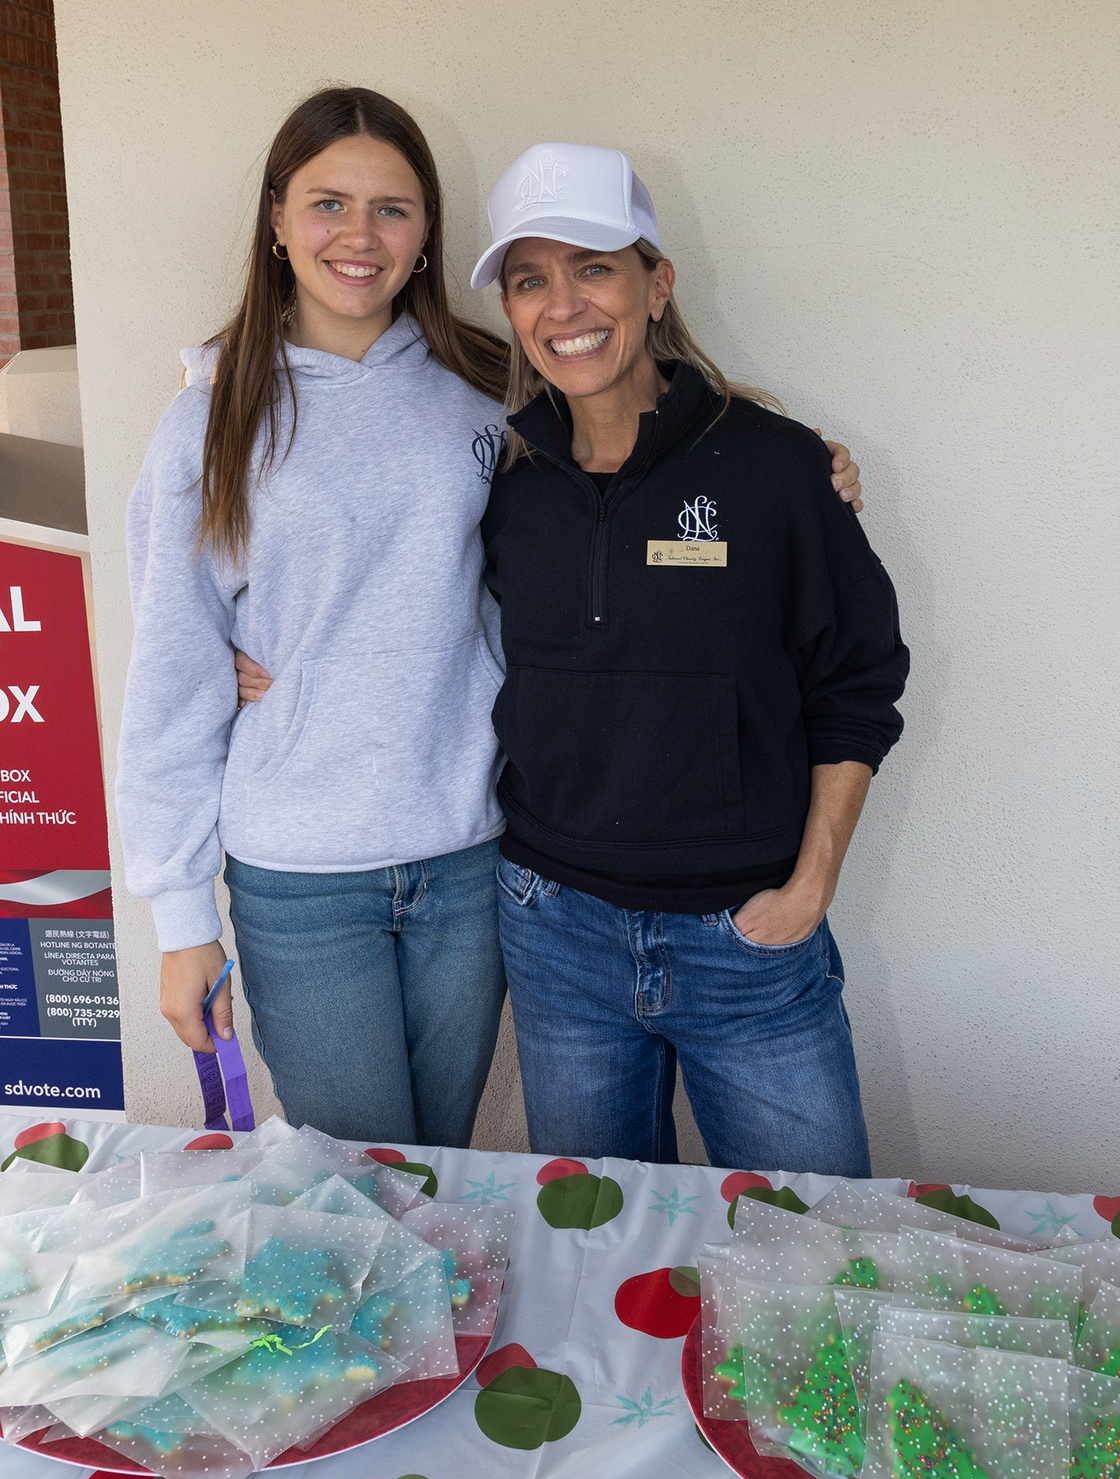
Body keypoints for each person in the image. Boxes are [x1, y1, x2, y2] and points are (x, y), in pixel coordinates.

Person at [470, 143, 908, 1173]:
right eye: (530, 278)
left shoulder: (777, 468)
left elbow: (859, 677)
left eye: (594, 266)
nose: (563, 303)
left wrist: (810, 884)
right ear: (511, 311)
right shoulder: (508, 483)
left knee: (815, 1251)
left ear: (654, 285)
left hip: (744, 940)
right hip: (554, 929)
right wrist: (253, 657)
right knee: (590, 1242)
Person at [116, 87, 513, 1145]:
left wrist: (805, 469)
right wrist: (180, 919)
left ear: (427, 235)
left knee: (443, 1169)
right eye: (328, 202)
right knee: (353, 1179)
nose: (360, 235)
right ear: (278, 220)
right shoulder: (211, 418)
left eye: (393, 208)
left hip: (468, 855)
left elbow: (583, 561)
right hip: (300, 875)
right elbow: (171, 673)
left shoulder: (492, 393)